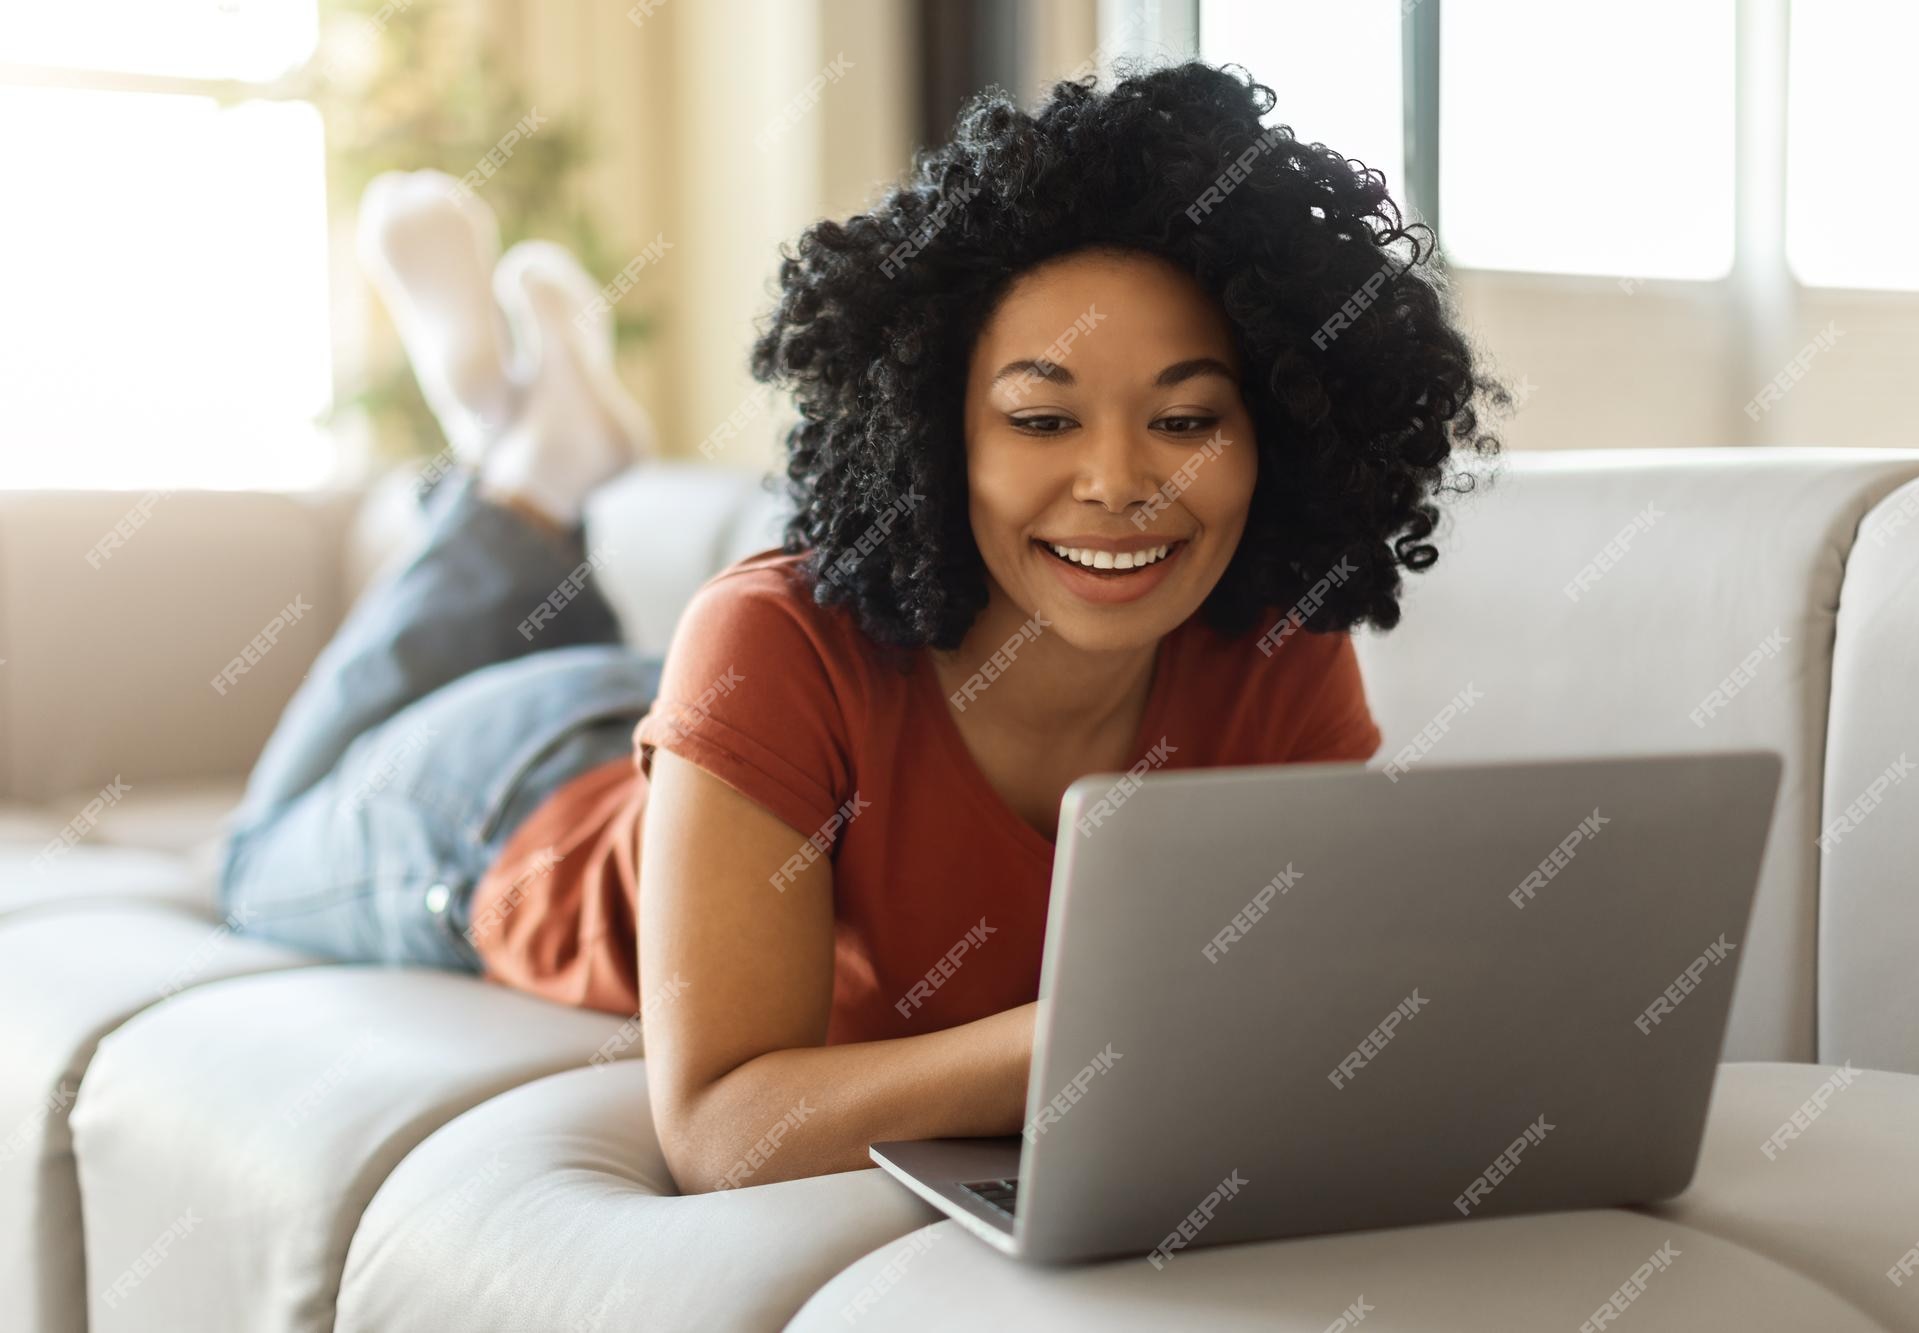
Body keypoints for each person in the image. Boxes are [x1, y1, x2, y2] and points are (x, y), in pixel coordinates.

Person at [218, 60, 1506, 1196]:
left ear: (1272, 439)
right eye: (1042, 418)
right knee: (253, 852)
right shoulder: (769, 638)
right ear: (939, 432)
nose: (1122, 482)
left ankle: (524, 449)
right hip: (501, 806)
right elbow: (720, 1129)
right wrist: (1075, 1042)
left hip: (696, 740)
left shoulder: (1278, 653)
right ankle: (517, 477)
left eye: (1185, 419)